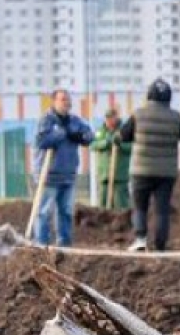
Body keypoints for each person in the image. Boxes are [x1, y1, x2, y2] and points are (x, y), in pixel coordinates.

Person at [120, 78, 180, 252]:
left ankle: (140, 239)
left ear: (149, 96)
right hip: (166, 173)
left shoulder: (138, 114)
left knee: (140, 207)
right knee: (162, 209)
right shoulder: (177, 118)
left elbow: (123, 136)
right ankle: (160, 245)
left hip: (141, 170)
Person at [32, 89, 92, 247]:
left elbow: (89, 136)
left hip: (68, 174)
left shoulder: (74, 121)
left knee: (66, 212)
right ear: (54, 102)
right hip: (49, 175)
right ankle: (41, 244)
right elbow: (41, 141)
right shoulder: (46, 120)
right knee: (44, 212)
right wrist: (59, 135)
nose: (67, 103)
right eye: (63, 100)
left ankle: (64, 245)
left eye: (68, 100)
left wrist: (79, 136)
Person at [90, 107, 131, 212]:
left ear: (117, 118)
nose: (109, 121)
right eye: (107, 119)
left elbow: (132, 147)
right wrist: (105, 143)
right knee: (103, 206)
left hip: (120, 175)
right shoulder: (101, 131)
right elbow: (93, 145)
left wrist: (120, 144)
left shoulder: (125, 130)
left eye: (112, 118)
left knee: (121, 206)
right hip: (104, 174)